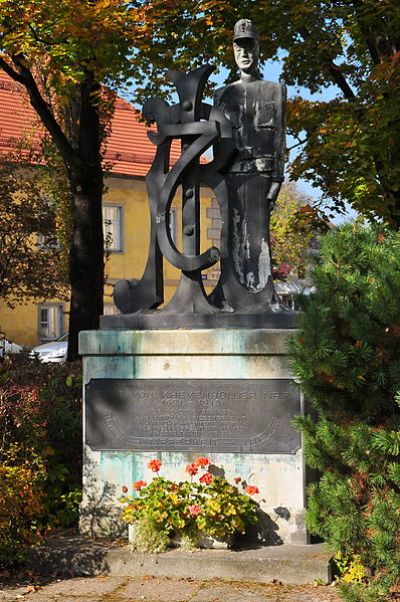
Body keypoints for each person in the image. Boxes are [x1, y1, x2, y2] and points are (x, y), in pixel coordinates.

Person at [214, 19, 286, 308]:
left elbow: (279, 137)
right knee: (231, 237)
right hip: (231, 175)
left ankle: (263, 296)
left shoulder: (274, 90)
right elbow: (217, 140)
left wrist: (277, 184)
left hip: (262, 175)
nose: (244, 53)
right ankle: (228, 297)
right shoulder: (222, 94)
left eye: (249, 46)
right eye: (238, 47)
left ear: (258, 49)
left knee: (258, 240)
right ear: (232, 50)